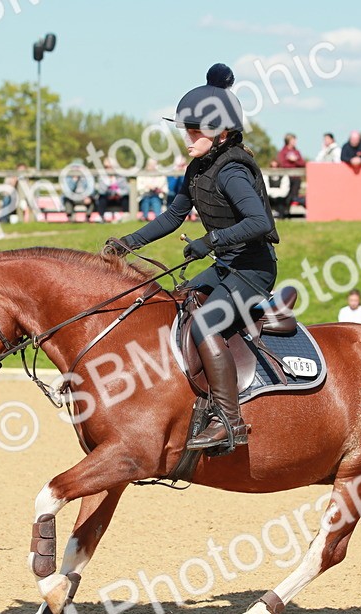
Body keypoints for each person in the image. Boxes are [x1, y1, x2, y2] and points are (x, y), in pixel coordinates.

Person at [104, 63, 279, 453]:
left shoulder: (232, 169)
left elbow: (259, 221)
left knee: (203, 326)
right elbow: (172, 216)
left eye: (196, 130)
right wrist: (126, 244)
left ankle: (229, 422)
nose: (188, 137)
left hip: (252, 270)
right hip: (226, 267)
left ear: (222, 132)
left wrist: (211, 240)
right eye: (187, 129)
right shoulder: (198, 168)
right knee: (174, 303)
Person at [276, 133, 305, 205]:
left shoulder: (297, 152)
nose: (295, 142)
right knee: (286, 194)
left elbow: (302, 163)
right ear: (288, 141)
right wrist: (289, 160)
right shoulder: (283, 152)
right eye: (293, 140)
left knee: (294, 195)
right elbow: (281, 163)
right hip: (286, 177)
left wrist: (295, 160)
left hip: (296, 178)